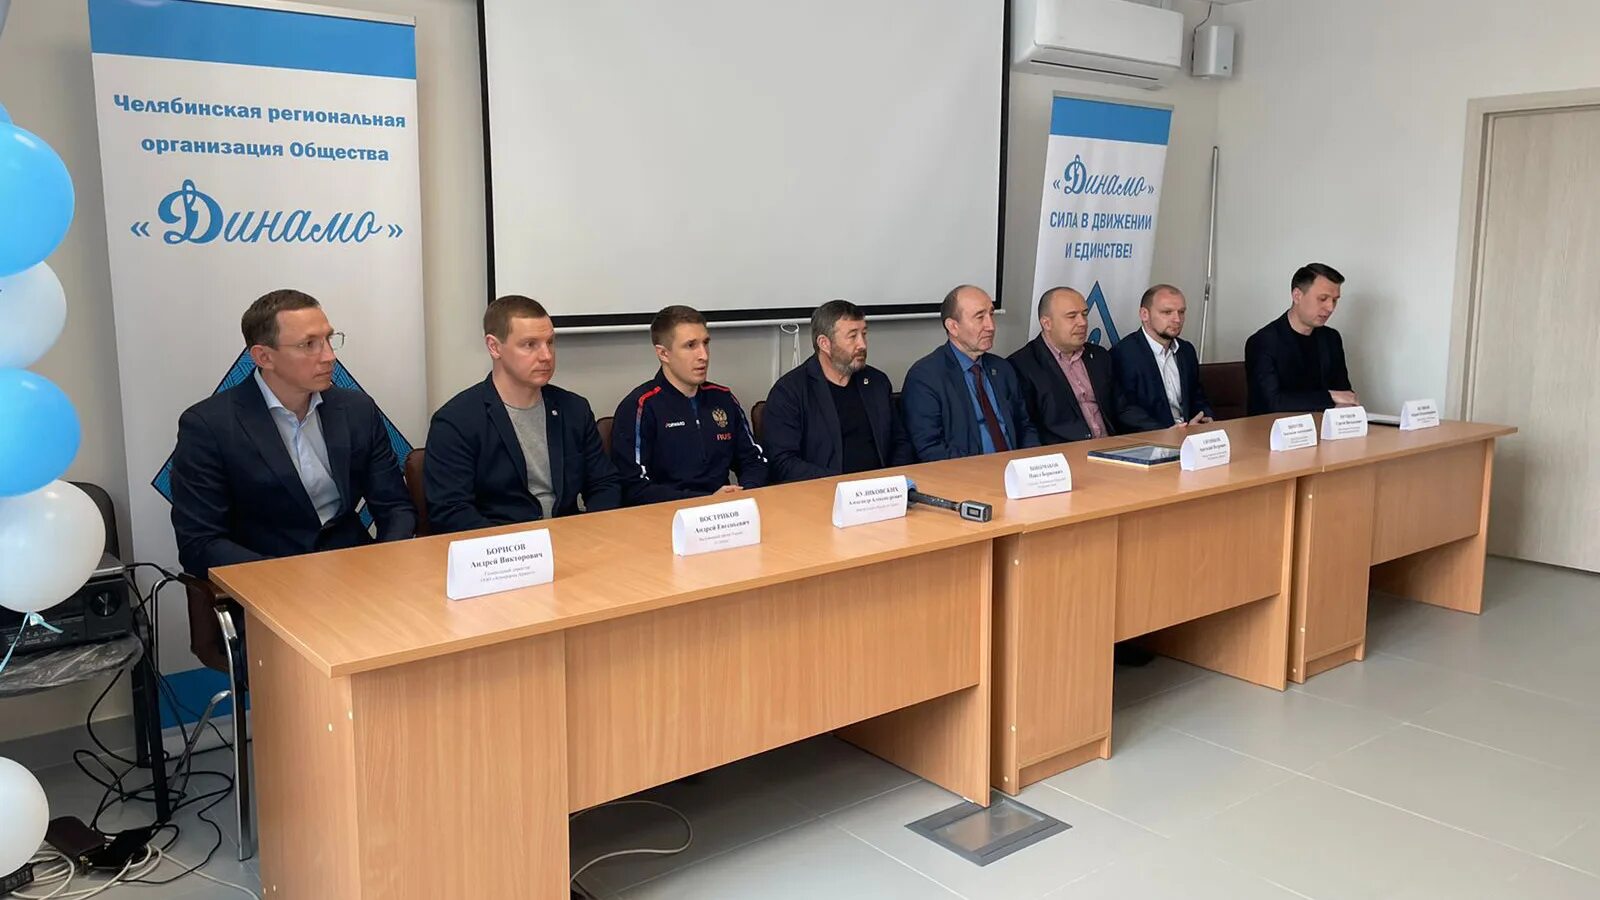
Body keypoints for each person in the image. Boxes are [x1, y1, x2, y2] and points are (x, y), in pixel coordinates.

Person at [170, 289, 415, 579]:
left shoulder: (357, 410)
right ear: (264, 357)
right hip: (268, 581)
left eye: (329, 339)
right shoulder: (210, 426)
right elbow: (200, 544)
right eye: (309, 345)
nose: (329, 356)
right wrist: (288, 580)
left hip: (356, 572)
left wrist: (386, 565)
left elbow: (395, 507)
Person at [423, 295, 621, 534]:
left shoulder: (574, 409)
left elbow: (604, 484)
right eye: (530, 344)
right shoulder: (456, 421)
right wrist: (516, 547)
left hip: (571, 539)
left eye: (550, 342)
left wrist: (593, 532)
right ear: (494, 347)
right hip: (500, 547)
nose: (546, 355)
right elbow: (451, 511)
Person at [611, 305, 768, 504]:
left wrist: (744, 493)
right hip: (668, 514)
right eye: (691, 345)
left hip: (726, 511)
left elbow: (754, 461)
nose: (704, 355)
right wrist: (705, 501)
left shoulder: (723, 398)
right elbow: (634, 488)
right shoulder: (640, 406)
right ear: (663, 354)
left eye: (706, 343)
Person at [763, 300, 915, 482]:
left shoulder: (877, 382)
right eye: (852, 336)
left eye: (864, 334)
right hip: (823, 491)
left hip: (881, 489)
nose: (862, 344)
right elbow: (783, 462)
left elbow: (900, 443)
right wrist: (842, 484)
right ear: (824, 343)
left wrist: (892, 481)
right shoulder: (789, 392)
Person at [902, 285, 1039, 460]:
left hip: (1015, 468)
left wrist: (1031, 462)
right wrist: (980, 470)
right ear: (953, 327)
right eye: (980, 317)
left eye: (991, 314)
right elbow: (930, 448)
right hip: (965, 472)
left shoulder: (1002, 368)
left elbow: (1025, 426)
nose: (990, 326)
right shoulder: (925, 377)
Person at [1009, 286, 1136, 444]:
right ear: (1047, 323)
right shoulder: (1022, 365)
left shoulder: (1099, 356)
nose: (1082, 323)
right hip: (1065, 453)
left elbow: (1122, 408)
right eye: (1072, 316)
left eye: (1084, 314)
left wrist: (1161, 431)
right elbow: (1027, 428)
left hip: (1110, 447)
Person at [1245, 263, 1358, 414]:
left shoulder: (1331, 338)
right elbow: (1272, 403)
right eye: (1323, 298)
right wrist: (1329, 396)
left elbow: (1345, 394)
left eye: (1335, 300)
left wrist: (1342, 403)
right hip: (1272, 427)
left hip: (1323, 425)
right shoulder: (1263, 342)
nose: (1330, 308)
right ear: (1297, 296)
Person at [1111, 284, 1215, 431]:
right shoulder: (1123, 354)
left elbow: (1197, 395)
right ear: (1144, 315)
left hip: (1189, 433)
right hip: (1151, 436)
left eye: (1181, 312)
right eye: (1167, 312)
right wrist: (1166, 432)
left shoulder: (1186, 350)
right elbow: (1126, 411)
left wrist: (1205, 417)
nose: (1177, 319)